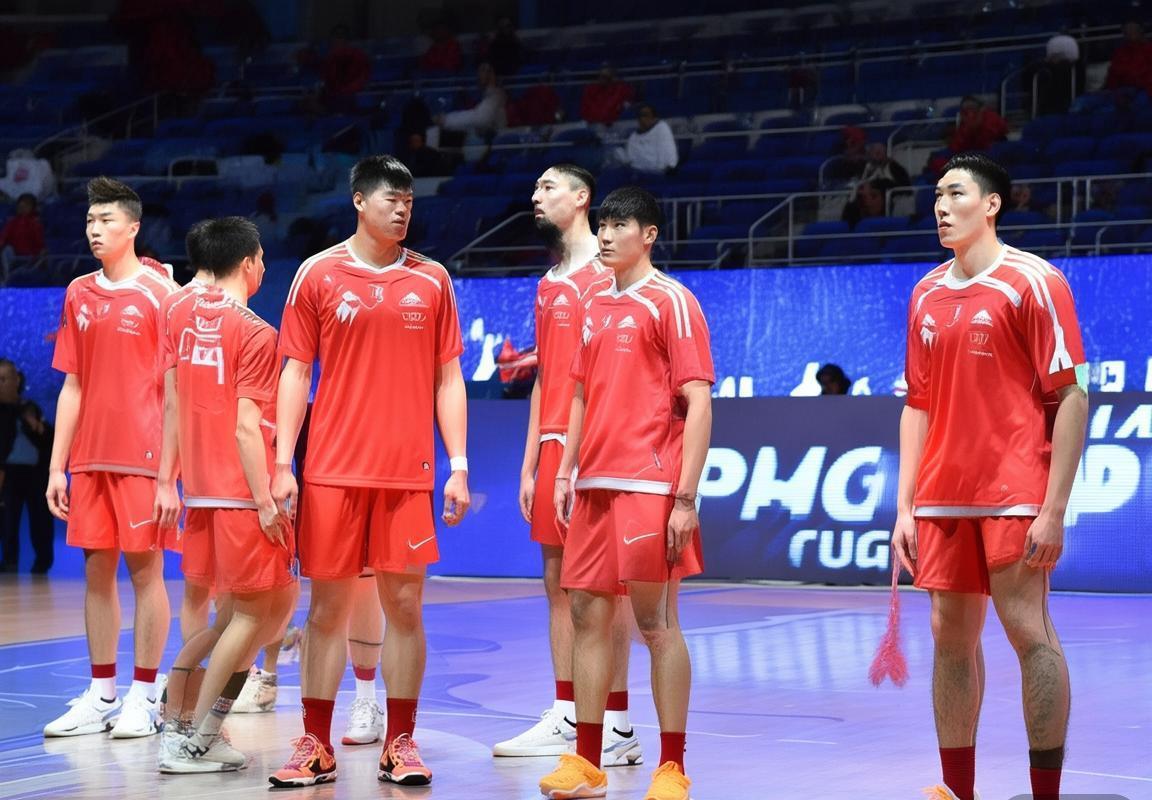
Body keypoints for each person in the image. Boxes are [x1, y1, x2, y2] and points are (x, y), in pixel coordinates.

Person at [268, 155, 470, 788]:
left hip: (406, 473)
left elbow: (448, 377)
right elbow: (296, 371)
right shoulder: (317, 273)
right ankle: (315, 744)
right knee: (327, 610)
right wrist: (282, 462)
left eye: (409, 201)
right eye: (391, 199)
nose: (403, 209)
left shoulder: (432, 279)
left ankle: (400, 742)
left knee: (405, 607)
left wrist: (458, 464)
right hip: (331, 470)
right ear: (359, 201)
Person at [892, 153, 1088, 800]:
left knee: (1029, 632)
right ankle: (958, 791)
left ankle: (1045, 793)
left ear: (992, 204)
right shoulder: (925, 293)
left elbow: (1072, 396)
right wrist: (904, 508)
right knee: (950, 642)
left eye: (955, 194)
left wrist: (1053, 508)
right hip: (940, 500)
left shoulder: (1034, 281)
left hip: (1014, 492)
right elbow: (917, 404)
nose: (941, 207)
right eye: (936, 197)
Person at [539, 186, 713, 800]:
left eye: (620, 226)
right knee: (587, 615)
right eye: (604, 226)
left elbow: (698, 403)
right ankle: (586, 763)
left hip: (650, 487)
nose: (607, 236)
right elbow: (579, 393)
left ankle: (672, 767)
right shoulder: (594, 304)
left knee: (655, 624)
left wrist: (685, 499)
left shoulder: (673, 301)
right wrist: (566, 472)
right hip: (593, 486)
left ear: (650, 235)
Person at [493, 165, 642, 766]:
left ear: (582, 198)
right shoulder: (548, 283)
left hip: (602, 449)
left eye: (547, 187)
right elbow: (544, 380)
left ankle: (618, 723)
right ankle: (567, 712)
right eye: (533, 187)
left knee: (608, 591)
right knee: (556, 584)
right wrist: (530, 464)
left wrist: (593, 452)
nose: (535, 195)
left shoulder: (612, 276)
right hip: (554, 445)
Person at [153, 216, 297, 773]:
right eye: (261, 259)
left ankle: (175, 723)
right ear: (249, 262)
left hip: (199, 493)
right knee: (250, 621)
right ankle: (199, 741)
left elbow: (171, 403)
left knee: (224, 621)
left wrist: (168, 479)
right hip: (240, 493)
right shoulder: (257, 332)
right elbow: (245, 427)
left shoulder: (178, 315)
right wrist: (265, 502)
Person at [43, 176, 179, 738]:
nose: (94, 230)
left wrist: (169, 476)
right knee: (96, 572)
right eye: (90, 221)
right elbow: (72, 385)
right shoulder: (78, 292)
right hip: (90, 458)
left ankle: (144, 696)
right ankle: (102, 694)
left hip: (144, 458)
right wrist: (57, 465)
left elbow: (177, 391)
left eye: (106, 221)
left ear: (133, 227)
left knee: (146, 572)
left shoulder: (161, 292)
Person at [0, 360, 54, 573]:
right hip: (9, 473)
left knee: (40, 518)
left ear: (17, 380)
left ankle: (43, 561)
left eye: (4, 379)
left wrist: (38, 427)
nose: (1, 384)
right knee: (8, 519)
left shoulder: (29, 407)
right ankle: (10, 560)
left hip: (35, 473)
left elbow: (48, 439)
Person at [0, 193, 46, 280]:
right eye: (21, 205)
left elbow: (41, 245)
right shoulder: (12, 222)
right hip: (14, 258)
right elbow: (3, 240)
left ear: (32, 207)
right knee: (7, 250)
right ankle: (6, 278)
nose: (22, 207)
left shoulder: (36, 223)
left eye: (26, 205)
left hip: (31, 258)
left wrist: (39, 258)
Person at [622, 105, 679, 174]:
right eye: (640, 116)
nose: (642, 118)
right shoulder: (633, 137)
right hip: (639, 174)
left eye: (645, 115)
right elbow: (630, 161)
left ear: (653, 117)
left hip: (660, 174)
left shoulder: (662, 128)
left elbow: (670, 160)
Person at [1105, 21, 1152, 95]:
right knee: (1085, 100)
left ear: (1141, 30)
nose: (1130, 31)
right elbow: (1113, 74)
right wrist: (1111, 90)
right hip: (1121, 91)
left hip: (1145, 91)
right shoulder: (1120, 52)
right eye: (1127, 29)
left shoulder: (1149, 49)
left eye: (1133, 28)